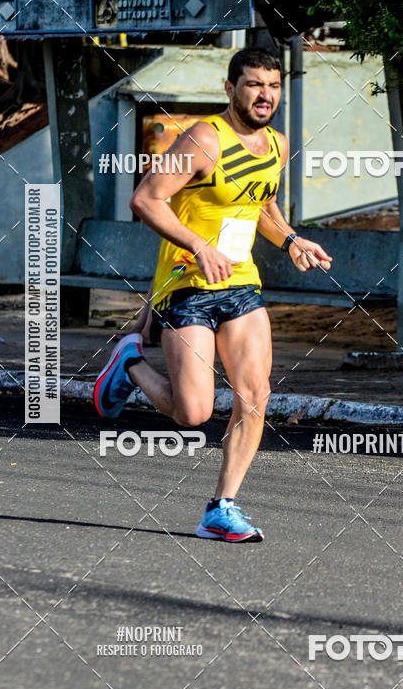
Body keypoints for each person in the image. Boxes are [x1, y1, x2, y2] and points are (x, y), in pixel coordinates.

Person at [94, 47, 331, 542]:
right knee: (193, 413)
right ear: (230, 89)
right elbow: (145, 199)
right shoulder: (203, 139)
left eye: (273, 85)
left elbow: (259, 203)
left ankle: (222, 507)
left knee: (255, 395)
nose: (265, 95)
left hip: (241, 282)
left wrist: (290, 240)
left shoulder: (276, 145)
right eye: (253, 85)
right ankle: (129, 361)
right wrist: (198, 245)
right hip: (186, 285)